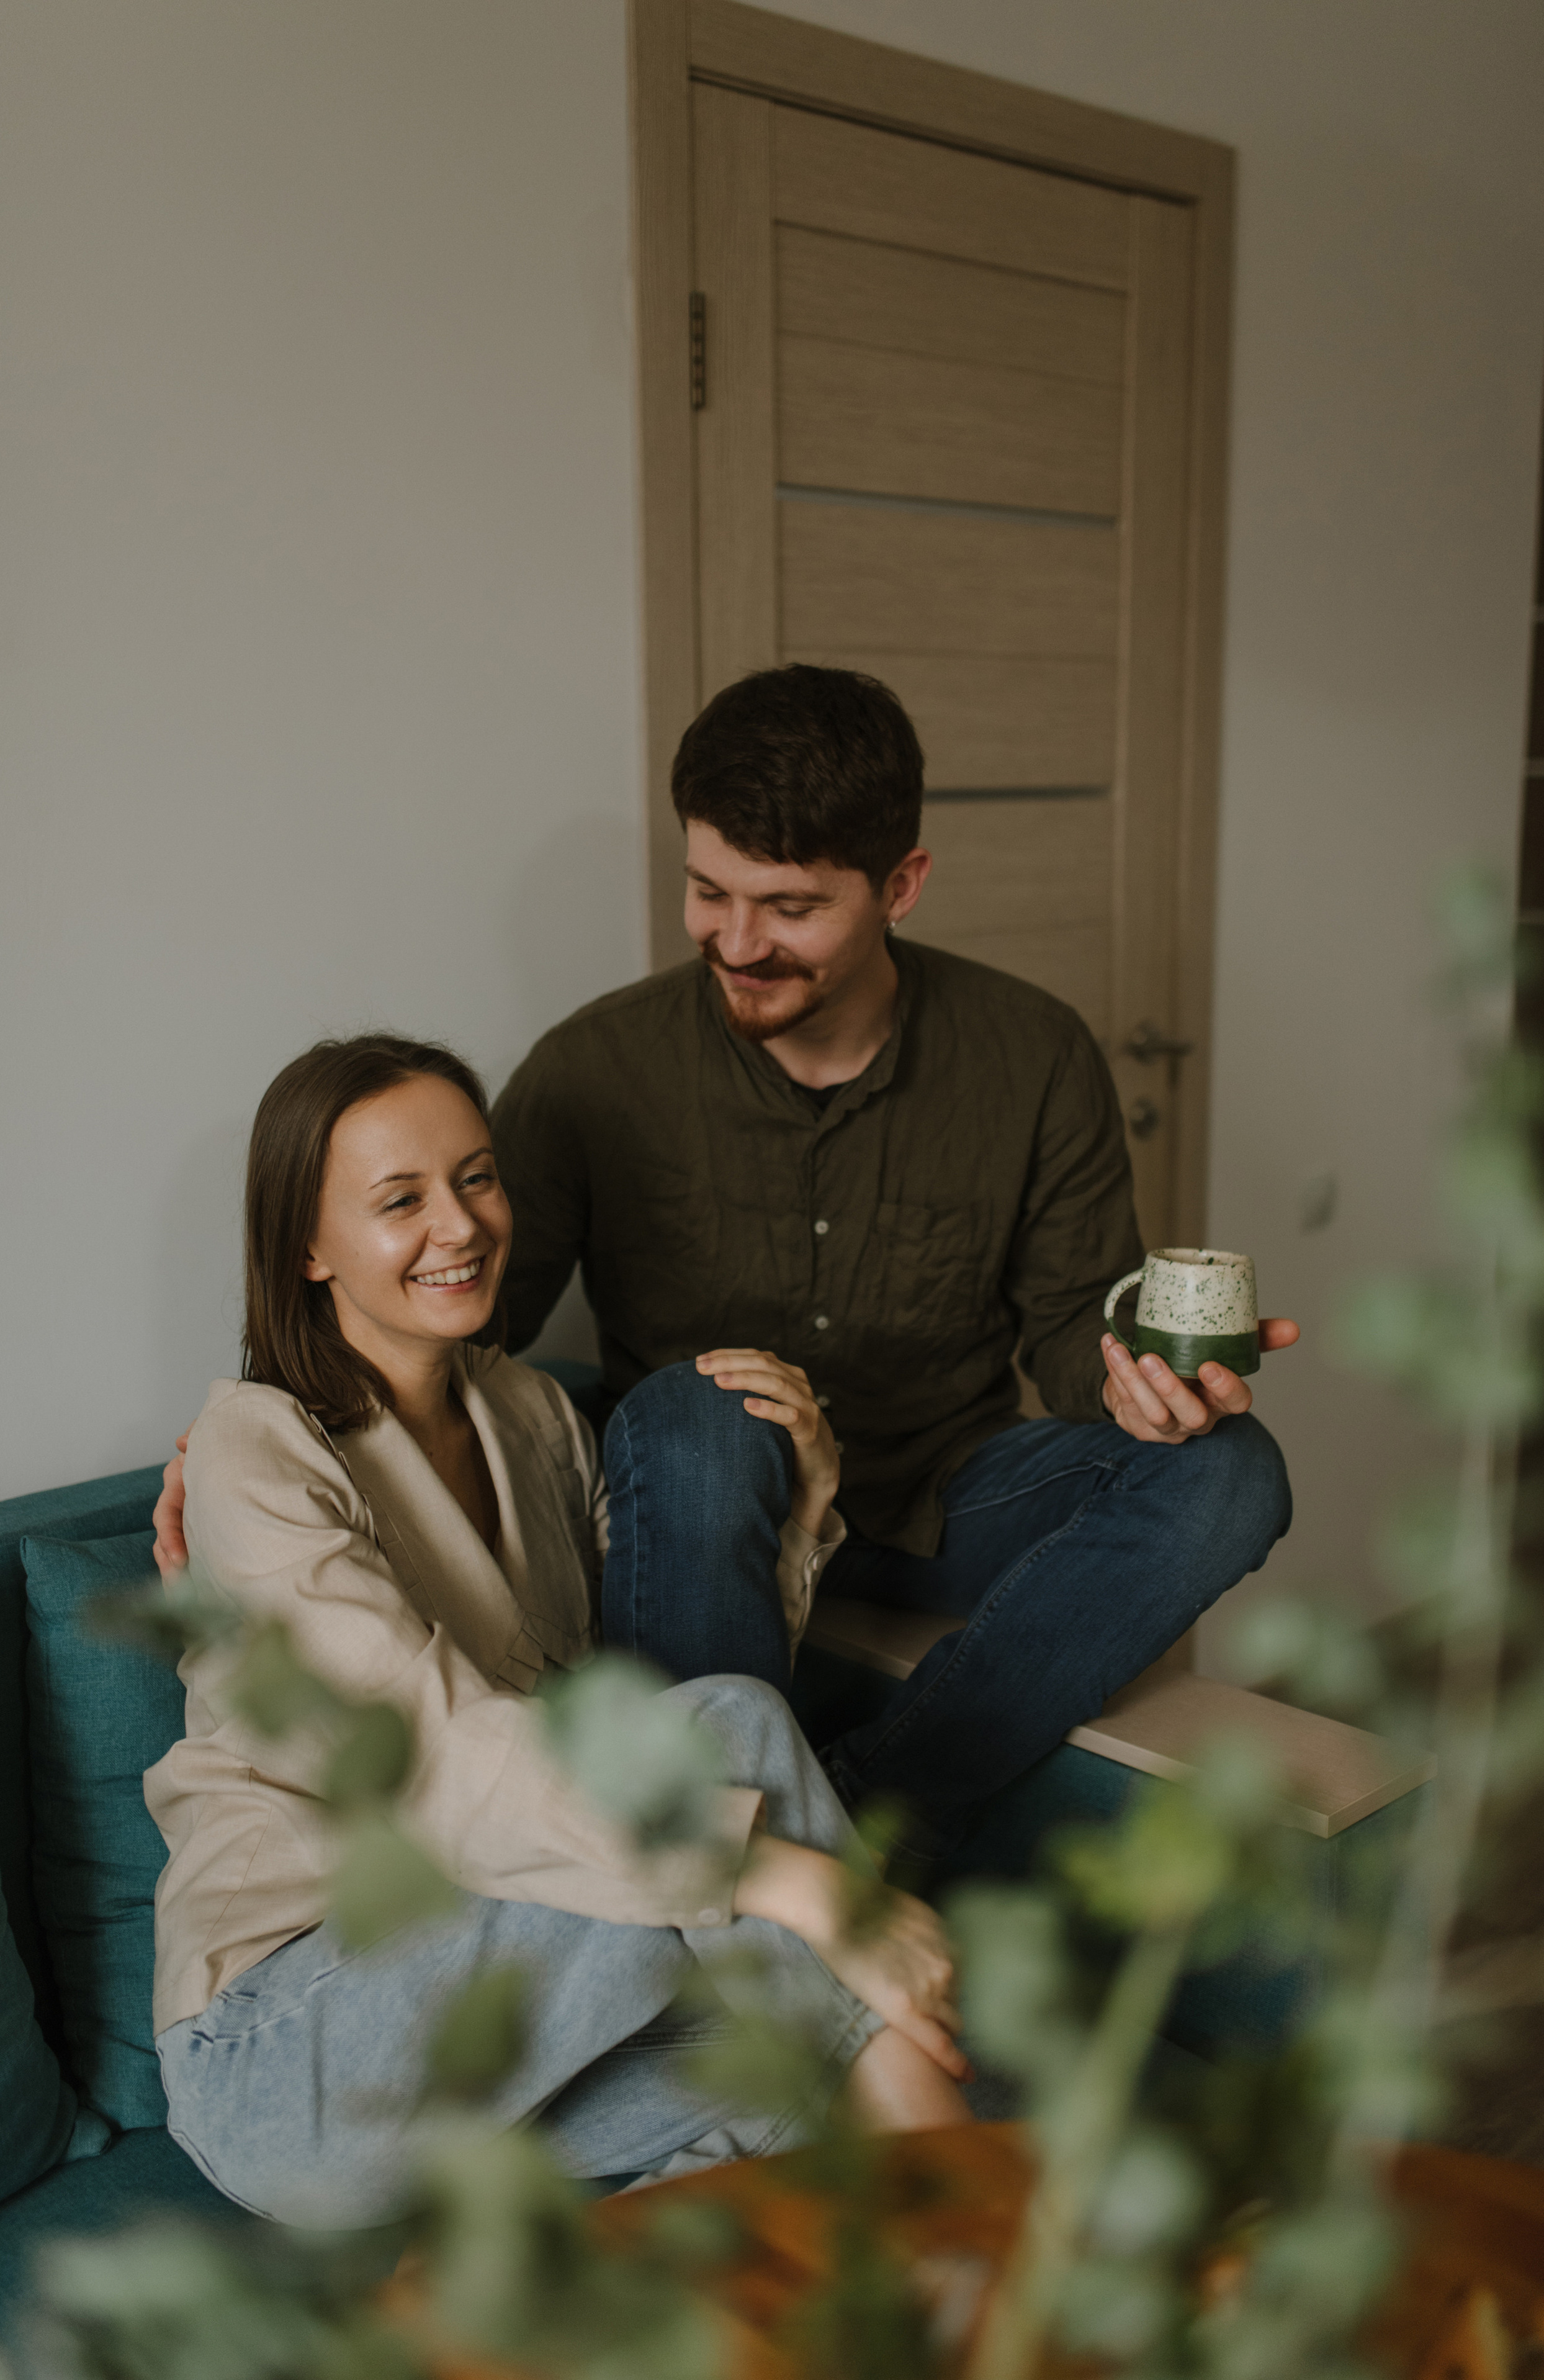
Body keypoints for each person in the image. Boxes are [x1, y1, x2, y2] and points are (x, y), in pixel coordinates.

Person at [156, 664, 1297, 1868]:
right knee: (707, 1402)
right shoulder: (593, 1069)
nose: (737, 941)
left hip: (940, 1494)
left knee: (1232, 1472)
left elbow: (1072, 1323)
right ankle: (752, 1845)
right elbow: (445, 1305)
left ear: (899, 886)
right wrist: (264, 1434)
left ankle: (859, 1820)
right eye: (708, 891)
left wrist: (1138, 1390)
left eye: (788, 908)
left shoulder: (1034, 1054)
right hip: (700, 1499)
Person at [148, 1032, 969, 2228]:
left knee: (802, 2074)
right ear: (307, 1249)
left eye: (477, 1177)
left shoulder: (528, 1412)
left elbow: (628, 1699)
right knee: (731, 1737)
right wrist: (795, 1880)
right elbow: (428, 1759)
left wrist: (804, 1508)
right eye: (401, 1200)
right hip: (294, 2046)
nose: (462, 1224)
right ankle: (986, 2203)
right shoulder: (254, 1451)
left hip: (513, 1999)